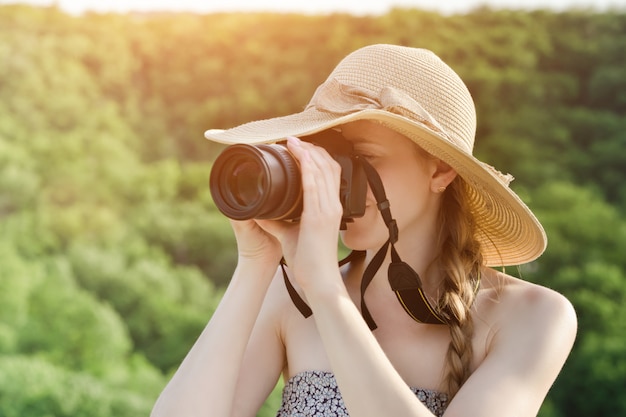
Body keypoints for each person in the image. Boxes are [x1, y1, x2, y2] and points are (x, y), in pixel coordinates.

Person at [150, 44, 577, 417]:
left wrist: (328, 296)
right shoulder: (289, 296)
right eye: (330, 159)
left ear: (442, 170)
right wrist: (255, 264)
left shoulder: (531, 317)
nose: (340, 181)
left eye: (365, 158)